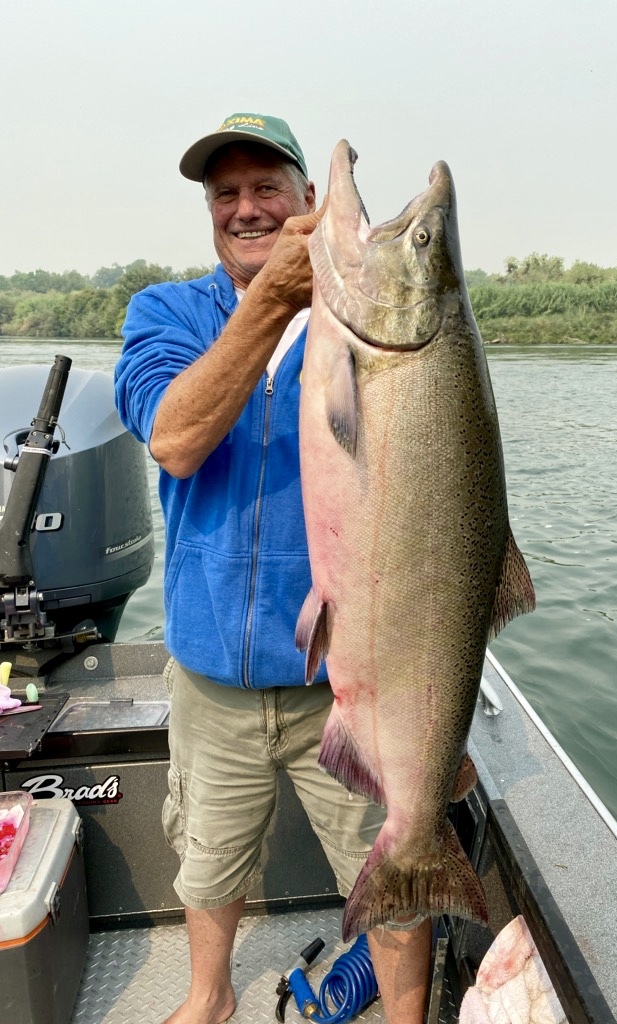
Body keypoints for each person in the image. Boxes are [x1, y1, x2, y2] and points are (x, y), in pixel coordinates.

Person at [114, 112, 432, 1024]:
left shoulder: (361, 320)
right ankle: (208, 996)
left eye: (266, 190)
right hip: (211, 674)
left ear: (306, 202)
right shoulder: (165, 313)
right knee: (207, 858)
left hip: (347, 678)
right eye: (226, 196)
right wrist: (271, 305)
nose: (245, 209)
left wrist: (326, 292)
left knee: (394, 866)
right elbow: (173, 439)